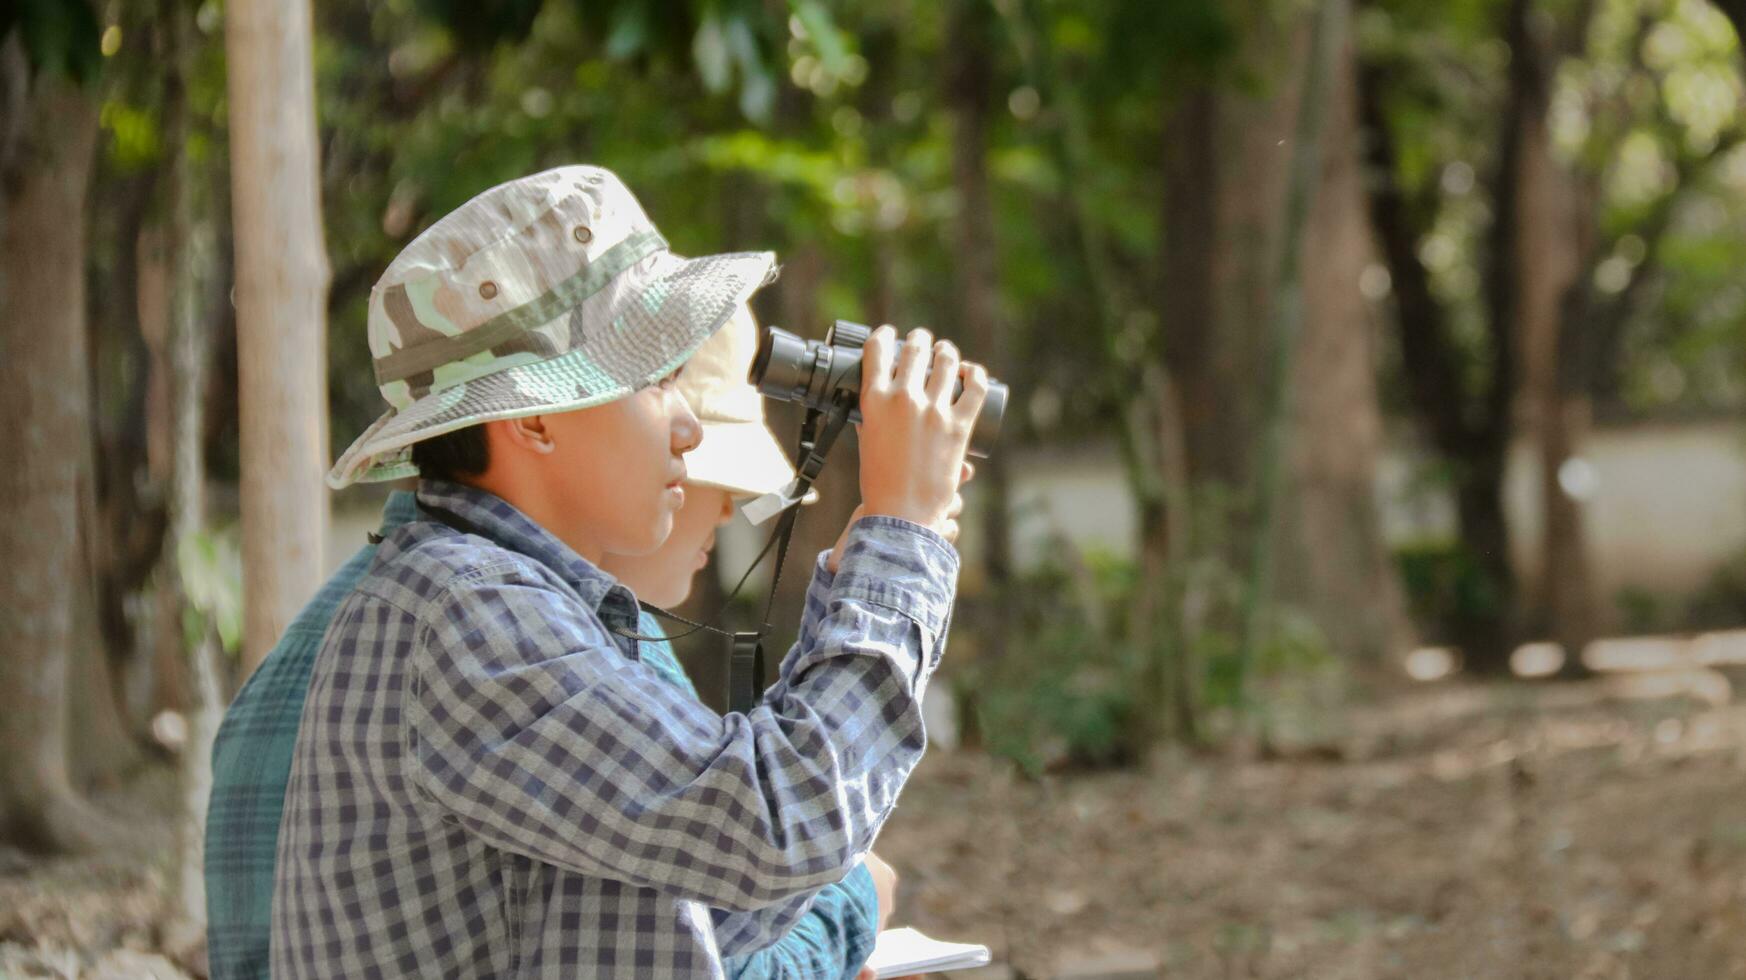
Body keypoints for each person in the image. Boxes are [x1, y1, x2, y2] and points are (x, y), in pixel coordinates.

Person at [266, 165, 986, 977]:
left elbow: (709, 901)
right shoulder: (470, 613)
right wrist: (903, 532)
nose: (686, 427)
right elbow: (776, 822)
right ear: (535, 415)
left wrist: (872, 561)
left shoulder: (504, 600)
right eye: (656, 381)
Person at [205, 301, 912, 979]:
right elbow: (764, 838)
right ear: (537, 419)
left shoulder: (409, 602)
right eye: (658, 383)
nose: (693, 445)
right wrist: (853, 907)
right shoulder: (486, 621)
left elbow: (677, 912)